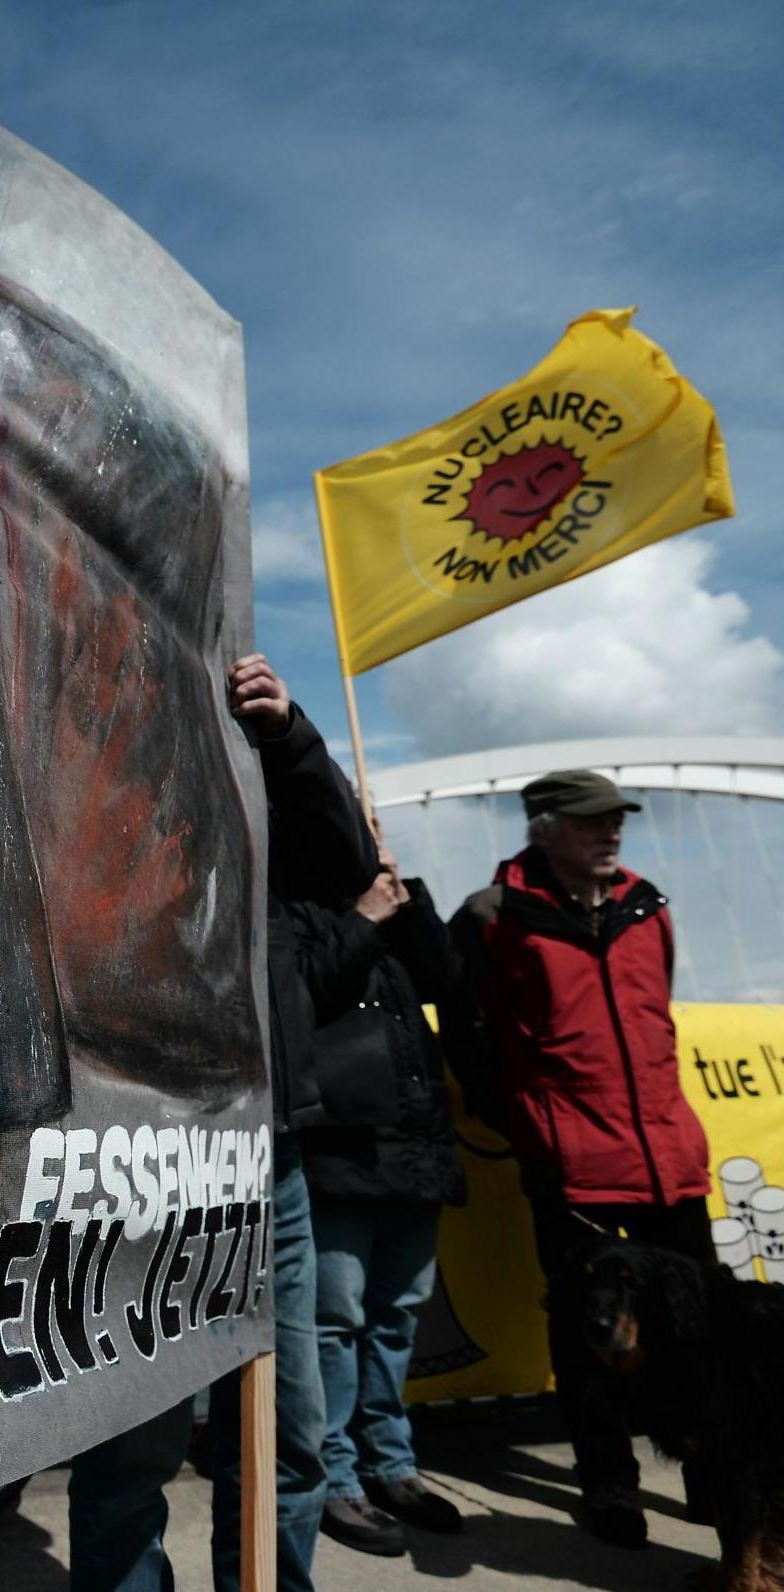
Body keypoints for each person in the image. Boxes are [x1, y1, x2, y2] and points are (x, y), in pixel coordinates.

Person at [69, 654, 376, 1592]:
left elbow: (346, 862)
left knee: (288, 1434)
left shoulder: (259, 810)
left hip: (265, 1163)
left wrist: (287, 735)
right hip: (139, 1165)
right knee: (129, 1453)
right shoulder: (79, 800)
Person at [446, 770, 713, 1551]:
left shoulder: (647, 903)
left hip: (669, 1155)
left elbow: (654, 1017)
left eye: (615, 821)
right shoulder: (492, 918)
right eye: (592, 821)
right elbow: (468, 1036)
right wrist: (528, 1124)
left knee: (693, 1329)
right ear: (543, 828)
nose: (611, 833)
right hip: (572, 1163)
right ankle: (607, 1485)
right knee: (586, 1335)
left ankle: (708, 1471)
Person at [299, 820, 465, 1558]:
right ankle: (334, 1477)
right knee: (334, 1323)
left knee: (396, 1317)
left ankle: (390, 1464)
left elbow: (449, 981)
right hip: (341, 1154)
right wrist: (362, 917)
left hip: (413, 1153)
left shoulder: (396, 906)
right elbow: (306, 992)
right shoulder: (300, 911)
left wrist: (408, 898)